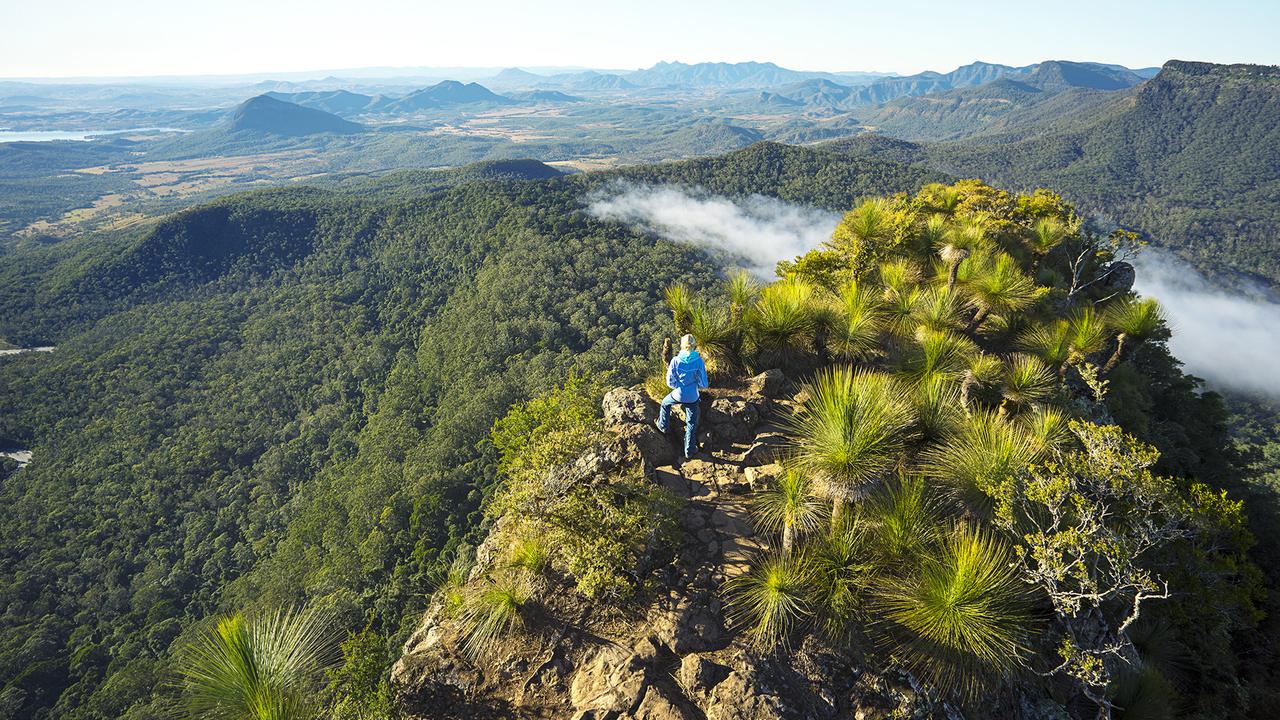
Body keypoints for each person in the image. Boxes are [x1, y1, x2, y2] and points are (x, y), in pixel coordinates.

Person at [656, 334, 709, 460]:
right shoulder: (699, 361)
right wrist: (695, 386)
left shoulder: (675, 360)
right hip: (693, 396)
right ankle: (689, 451)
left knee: (665, 403)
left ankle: (663, 426)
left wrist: (679, 387)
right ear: (694, 345)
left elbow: (669, 382)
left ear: (682, 345)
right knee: (691, 423)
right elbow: (704, 384)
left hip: (678, 394)